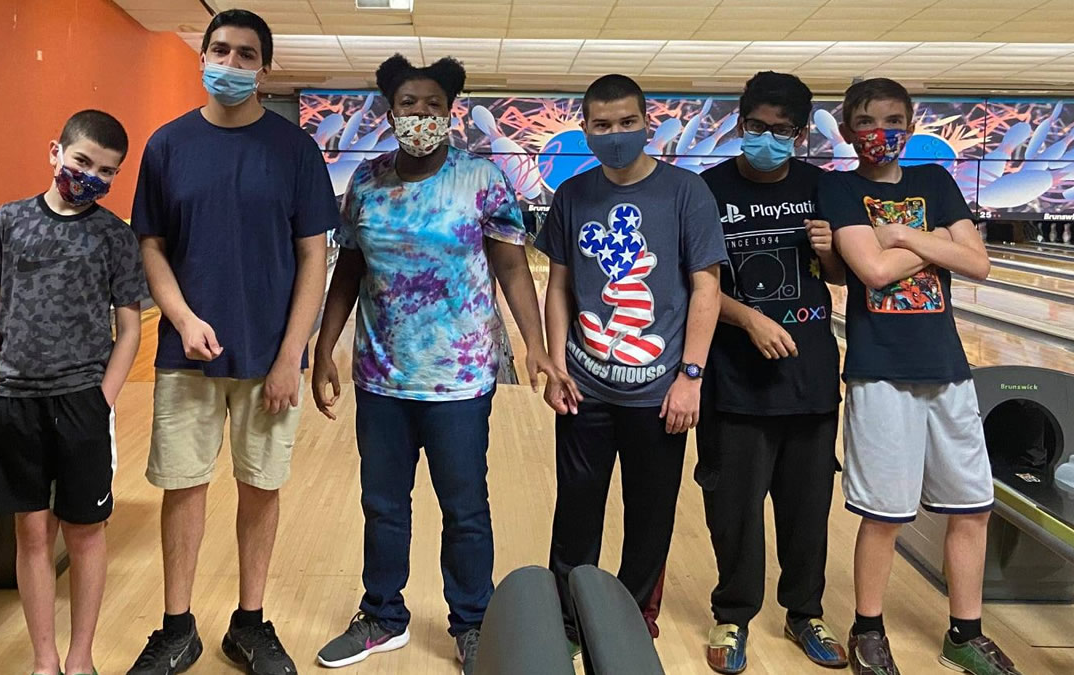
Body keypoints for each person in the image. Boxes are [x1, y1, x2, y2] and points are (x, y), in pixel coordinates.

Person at [311, 54, 572, 674]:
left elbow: (511, 265)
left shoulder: (480, 179)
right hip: (381, 377)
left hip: (460, 378)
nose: (421, 115)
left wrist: (534, 345)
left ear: (449, 112)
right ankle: (381, 615)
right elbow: (348, 269)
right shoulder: (367, 183)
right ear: (390, 111)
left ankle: (473, 621)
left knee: (464, 506)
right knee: (383, 503)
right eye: (409, 105)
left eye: (433, 105)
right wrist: (323, 349)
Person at [125, 9, 337, 675]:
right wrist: (182, 318)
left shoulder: (295, 151)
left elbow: (313, 258)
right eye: (220, 50)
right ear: (203, 56)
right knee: (183, 485)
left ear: (263, 69)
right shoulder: (167, 146)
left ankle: (250, 622)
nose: (232, 63)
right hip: (185, 354)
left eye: (247, 55)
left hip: (268, 354)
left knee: (260, 484)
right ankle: (177, 627)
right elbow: (151, 246)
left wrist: (288, 356)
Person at [816, 77, 1021, 675]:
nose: (883, 132)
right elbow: (873, 272)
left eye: (893, 120)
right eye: (868, 122)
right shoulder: (839, 188)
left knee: (972, 505)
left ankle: (965, 633)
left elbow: (978, 263)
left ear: (912, 121)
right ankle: (869, 630)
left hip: (949, 369)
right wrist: (939, 243)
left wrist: (905, 233)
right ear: (850, 128)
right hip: (880, 371)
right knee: (885, 513)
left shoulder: (935, 181)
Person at [534, 74, 726, 650]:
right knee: (575, 514)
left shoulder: (686, 192)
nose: (615, 134)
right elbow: (559, 286)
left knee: (650, 516)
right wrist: (555, 363)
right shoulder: (573, 195)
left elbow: (707, 289)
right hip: (585, 386)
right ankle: (569, 623)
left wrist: (690, 376)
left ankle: (633, 617)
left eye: (626, 122)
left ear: (647, 122)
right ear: (586, 127)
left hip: (658, 391)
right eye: (602, 125)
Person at [0, 109, 147, 675]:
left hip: (82, 402)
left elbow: (131, 325)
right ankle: (44, 659)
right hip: (16, 401)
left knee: (86, 532)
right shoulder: (8, 221)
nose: (92, 176)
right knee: (31, 530)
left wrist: (103, 398)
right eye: (82, 162)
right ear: (56, 152)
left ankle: (80, 657)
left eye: (107, 171)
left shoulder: (115, 236)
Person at [695, 71, 848, 674]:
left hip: (810, 380)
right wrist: (748, 320)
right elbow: (694, 282)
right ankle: (733, 613)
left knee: (808, 508)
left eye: (781, 131)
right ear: (739, 122)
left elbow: (839, 276)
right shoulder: (706, 189)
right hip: (732, 382)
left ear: (801, 134)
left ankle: (805, 611)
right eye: (757, 127)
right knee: (733, 509)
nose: (766, 138)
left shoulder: (823, 188)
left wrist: (831, 249)